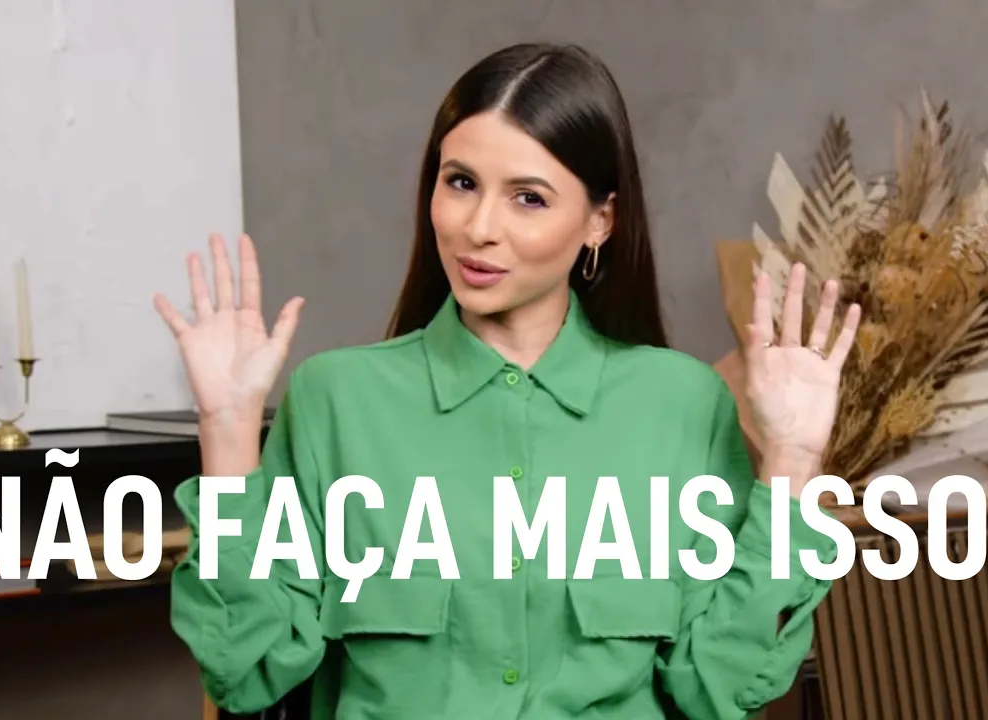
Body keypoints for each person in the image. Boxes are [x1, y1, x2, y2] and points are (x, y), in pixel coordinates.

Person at [156, 42, 859, 720]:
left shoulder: (683, 406)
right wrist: (227, 429)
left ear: (599, 220)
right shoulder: (336, 401)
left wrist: (792, 461)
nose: (479, 228)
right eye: (461, 183)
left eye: (528, 198)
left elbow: (723, 686)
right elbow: (245, 670)